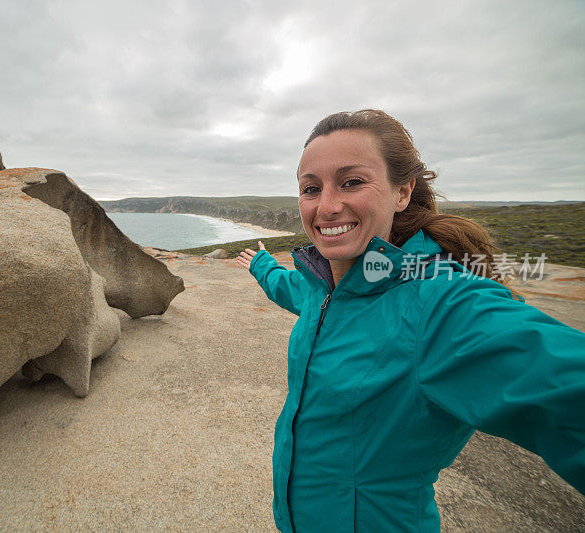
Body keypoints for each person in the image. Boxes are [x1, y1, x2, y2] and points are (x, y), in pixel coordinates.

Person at [236, 109, 585, 532]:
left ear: (402, 192)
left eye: (352, 181)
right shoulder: (326, 287)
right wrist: (260, 265)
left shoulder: (440, 303)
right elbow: (292, 290)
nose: (326, 206)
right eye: (311, 188)